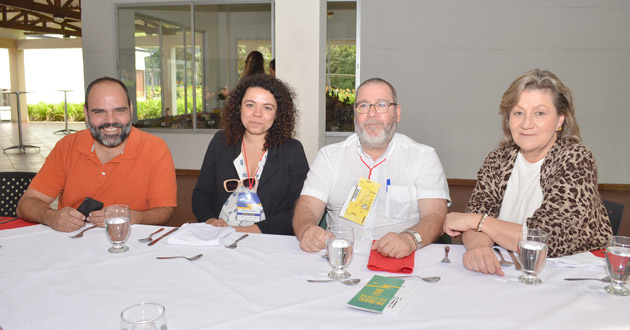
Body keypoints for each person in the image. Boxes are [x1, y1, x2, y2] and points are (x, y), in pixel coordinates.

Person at [443, 69, 612, 276]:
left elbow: (547, 240)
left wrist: (478, 221)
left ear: (560, 119)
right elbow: (473, 220)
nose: (526, 123)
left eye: (539, 113)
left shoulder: (575, 158)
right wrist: (480, 248)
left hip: (569, 276)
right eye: (518, 112)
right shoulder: (497, 160)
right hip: (512, 271)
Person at [293, 78, 450, 258]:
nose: (372, 114)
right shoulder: (329, 156)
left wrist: (410, 239)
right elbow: (307, 206)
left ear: (397, 113)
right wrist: (306, 229)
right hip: (340, 257)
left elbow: (435, 215)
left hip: (401, 259)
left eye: (381, 105)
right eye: (364, 106)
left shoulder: (423, 157)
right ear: (355, 114)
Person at [16, 77, 177, 232]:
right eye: (100, 112)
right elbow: (26, 204)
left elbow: (164, 211)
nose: (111, 120)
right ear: (86, 113)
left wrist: (133, 217)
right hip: (74, 242)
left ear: (131, 109)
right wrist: (50, 217)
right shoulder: (67, 146)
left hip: (130, 241)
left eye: (119, 110)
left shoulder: (155, 148)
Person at [192, 74, 309, 235]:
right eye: (250, 105)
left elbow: (299, 210)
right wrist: (211, 220)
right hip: (220, 236)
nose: (257, 114)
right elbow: (201, 194)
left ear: (278, 113)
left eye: (267, 107)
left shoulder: (292, 151)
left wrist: (242, 230)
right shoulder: (220, 142)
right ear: (239, 107)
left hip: (268, 239)